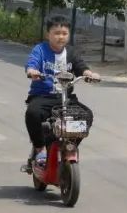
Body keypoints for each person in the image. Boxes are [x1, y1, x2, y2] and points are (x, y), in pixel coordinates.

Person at [24, 17, 100, 165]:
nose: (61, 36)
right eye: (56, 33)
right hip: (43, 96)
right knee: (32, 113)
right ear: (48, 35)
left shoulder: (71, 52)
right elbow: (32, 62)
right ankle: (39, 148)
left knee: (87, 116)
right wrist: (32, 70)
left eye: (64, 33)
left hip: (66, 98)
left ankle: (69, 145)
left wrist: (89, 74)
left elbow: (81, 66)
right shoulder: (40, 49)